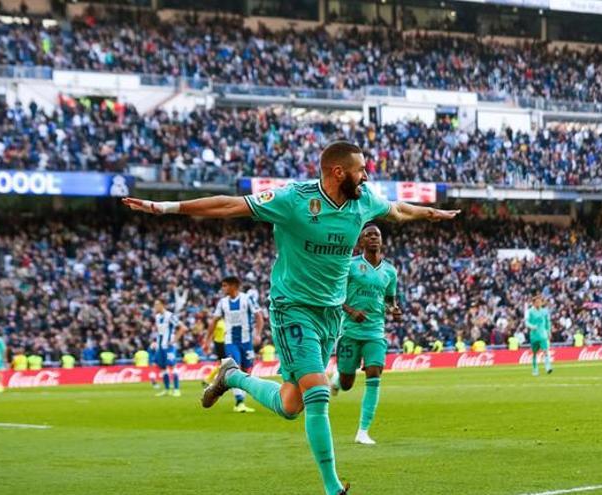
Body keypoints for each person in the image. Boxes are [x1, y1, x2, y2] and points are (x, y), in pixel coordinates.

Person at [123, 140, 459, 495]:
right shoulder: (294, 200)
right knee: (317, 393)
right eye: (361, 169)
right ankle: (333, 488)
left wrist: (431, 213)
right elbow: (229, 206)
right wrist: (166, 207)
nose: (366, 175)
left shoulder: (362, 202)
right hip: (292, 308)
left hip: (331, 314)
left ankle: (232, 376)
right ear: (337, 172)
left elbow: (398, 211)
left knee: (289, 404)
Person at [330, 224, 400, 445]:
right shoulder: (350, 266)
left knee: (374, 372)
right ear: (361, 242)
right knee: (348, 382)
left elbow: (389, 299)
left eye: (376, 235)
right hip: (350, 331)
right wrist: (351, 311)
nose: (373, 238)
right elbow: (335, 296)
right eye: (368, 235)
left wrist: (393, 309)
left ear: (381, 240)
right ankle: (338, 380)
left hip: (375, 332)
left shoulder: (390, 271)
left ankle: (363, 431)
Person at [208, 275, 264, 413]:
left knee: (247, 371)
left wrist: (257, 333)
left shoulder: (247, 299)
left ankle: (240, 400)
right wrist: (207, 339)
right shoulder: (222, 303)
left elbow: (259, 316)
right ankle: (239, 401)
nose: (223, 288)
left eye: (225, 285)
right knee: (235, 369)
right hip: (231, 342)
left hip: (246, 342)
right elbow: (214, 321)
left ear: (233, 286)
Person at [151, 299, 187, 397]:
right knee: (163, 368)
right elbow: (160, 332)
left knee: (172, 366)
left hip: (169, 346)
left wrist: (174, 340)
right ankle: (167, 390)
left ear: (162, 305)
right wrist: (155, 342)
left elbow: (183, 328)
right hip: (160, 346)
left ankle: (176, 389)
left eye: (156, 304)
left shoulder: (170, 316)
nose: (155, 307)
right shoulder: (157, 317)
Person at [525, 295, 553, 376]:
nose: (539, 303)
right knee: (534, 353)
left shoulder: (545, 311)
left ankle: (548, 367)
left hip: (543, 334)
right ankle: (535, 369)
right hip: (534, 335)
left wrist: (549, 331)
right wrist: (531, 326)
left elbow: (548, 322)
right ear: (533, 303)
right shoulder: (529, 311)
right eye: (537, 302)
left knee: (545, 350)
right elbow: (526, 322)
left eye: (540, 302)